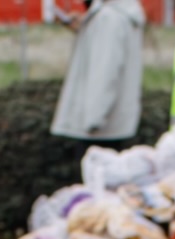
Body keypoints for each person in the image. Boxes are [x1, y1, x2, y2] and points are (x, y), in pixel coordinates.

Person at [50, 0, 146, 148]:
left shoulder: (108, 18)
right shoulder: (121, 13)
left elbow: (104, 73)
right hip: (114, 126)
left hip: (99, 131)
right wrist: (87, 25)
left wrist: (92, 120)